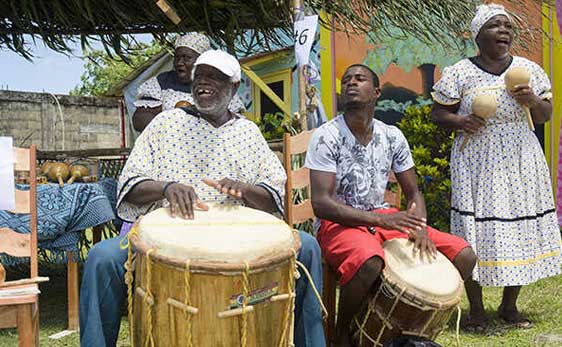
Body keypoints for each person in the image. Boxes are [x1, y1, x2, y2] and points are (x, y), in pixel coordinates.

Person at [80, 50, 325, 347]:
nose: (203, 83)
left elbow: (271, 198)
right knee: (102, 257)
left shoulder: (248, 132)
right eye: (200, 76)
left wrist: (246, 190)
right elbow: (130, 184)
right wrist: (167, 187)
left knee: (308, 246)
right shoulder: (165, 124)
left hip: (237, 234)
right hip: (166, 229)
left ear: (233, 88)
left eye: (214, 77)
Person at [305, 64, 477, 347]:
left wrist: (419, 225)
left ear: (376, 92)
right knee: (370, 262)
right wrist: (382, 221)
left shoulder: (392, 135)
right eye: (346, 80)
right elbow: (321, 203)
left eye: (359, 79)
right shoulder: (327, 135)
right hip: (339, 223)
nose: (351, 83)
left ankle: (415, 327)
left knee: (464, 255)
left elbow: (413, 193)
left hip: (383, 218)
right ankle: (341, 333)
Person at [431, 3, 562, 331]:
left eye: (508, 27)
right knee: (472, 231)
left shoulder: (528, 70)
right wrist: (461, 120)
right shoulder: (460, 72)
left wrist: (531, 100)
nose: (504, 31)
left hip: (520, 158)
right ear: (478, 35)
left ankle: (509, 305)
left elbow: (545, 114)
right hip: (476, 159)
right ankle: (476, 309)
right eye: (495, 26)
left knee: (519, 228)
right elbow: (437, 114)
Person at [132, 32, 244, 132]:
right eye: (177, 57)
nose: (180, 62)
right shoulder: (161, 83)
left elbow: (236, 122)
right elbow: (139, 119)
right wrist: (172, 128)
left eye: (186, 57)